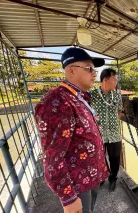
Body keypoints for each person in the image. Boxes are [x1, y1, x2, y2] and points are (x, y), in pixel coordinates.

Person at [34, 47, 108, 213]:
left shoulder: (78, 97)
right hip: (77, 184)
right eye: (89, 69)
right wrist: (68, 198)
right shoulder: (57, 102)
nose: (94, 74)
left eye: (94, 70)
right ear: (71, 70)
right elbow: (52, 158)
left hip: (90, 177)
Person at [89, 68, 123, 192]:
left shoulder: (117, 96)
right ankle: (102, 176)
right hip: (98, 133)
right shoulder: (92, 95)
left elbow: (119, 112)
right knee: (100, 157)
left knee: (115, 157)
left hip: (114, 133)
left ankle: (112, 178)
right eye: (114, 79)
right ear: (105, 79)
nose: (116, 82)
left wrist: (112, 123)